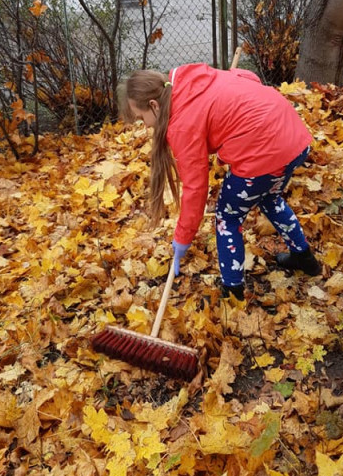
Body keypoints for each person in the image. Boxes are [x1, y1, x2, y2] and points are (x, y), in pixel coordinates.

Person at [118, 63, 321, 300]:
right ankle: (304, 258)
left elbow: (195, 188)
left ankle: (232, 290)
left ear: (154, 105)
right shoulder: (189, 80)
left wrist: (182, 238)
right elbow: (248, 77)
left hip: (264, 151)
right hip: (293, 138)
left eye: (141, 118)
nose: (145, 125)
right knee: (269, 198)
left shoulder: (182, 124)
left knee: (228, 217)